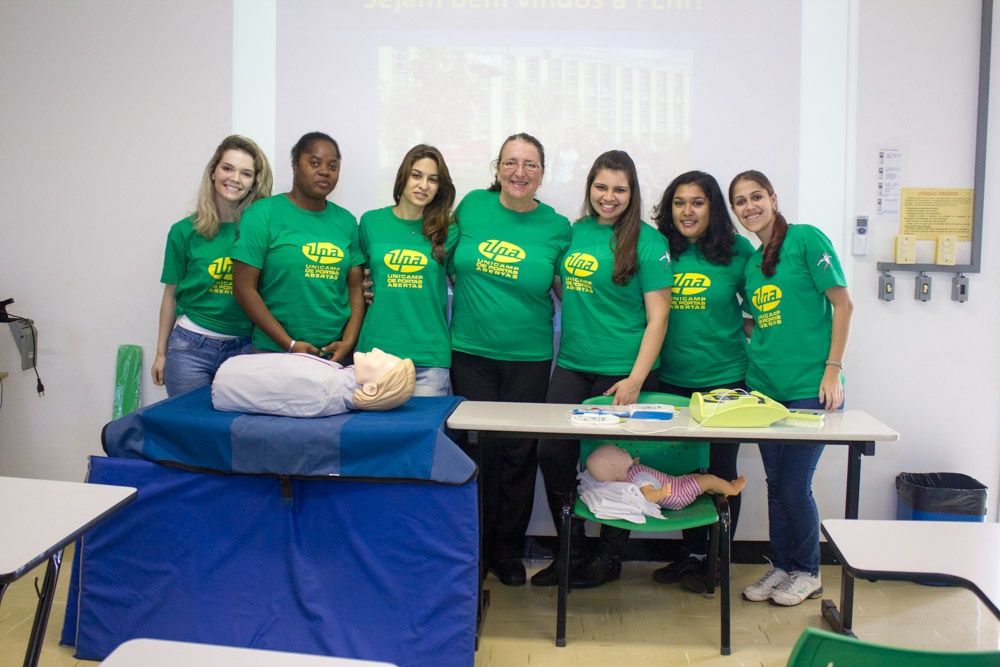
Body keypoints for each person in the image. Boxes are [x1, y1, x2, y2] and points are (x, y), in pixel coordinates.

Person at [532, 150, 673, 589]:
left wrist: (635, 379)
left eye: (619, 189)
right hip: (573, 363)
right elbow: (558, 284)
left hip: (624, 373)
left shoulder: (649, 243)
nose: (608, 197)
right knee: (552, 453)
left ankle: (610, 555)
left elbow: (659, 318)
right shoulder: (573, 233)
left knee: (618, 464)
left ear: (632, 193)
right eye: (601, 187)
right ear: (589, 187)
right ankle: (570, 549)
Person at [449, 132, 571, 587]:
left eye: (530, 164)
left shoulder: (558, 227)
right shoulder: (471, 207)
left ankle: (507, 551)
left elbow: (573, 290)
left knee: (520, 455)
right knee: (480, 452)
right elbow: (440, 261)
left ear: (542, 172)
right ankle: (473, 550)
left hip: (530, 357)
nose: (520, 172)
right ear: (497, 167)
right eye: (511, 162)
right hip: (470, 352)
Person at [728, 169, 853, 607]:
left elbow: (843, 303)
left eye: (756, 196)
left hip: (808, 388)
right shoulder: (750, 263)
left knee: (796, 484)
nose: (749, 207)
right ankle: (782, 566)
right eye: (740, 202)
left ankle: (809, 571)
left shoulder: (806, 239)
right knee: (776, 483)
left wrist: (832, 369)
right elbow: (756, 322)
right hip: (763, 389)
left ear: (774, 198)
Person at [648, 171, 755, 592]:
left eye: (697, 202)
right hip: (672, 381)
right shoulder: (659, 249)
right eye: (679, 203)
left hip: (726, 382)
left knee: (723, 473)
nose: (687, 211)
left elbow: (763, 304)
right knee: (683, 474)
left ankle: (718, 561)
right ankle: (691, 556)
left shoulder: (737, 251)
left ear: (713, 207)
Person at [152, 135, 274, 397]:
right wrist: (161, 353)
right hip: (189, 348)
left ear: (254, 183)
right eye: (227, 168)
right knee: (188, 430)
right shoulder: (183, 231)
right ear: (213, 172)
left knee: (234, 433)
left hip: (245, 349)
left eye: (246, 173)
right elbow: (170, 295)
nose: (235, 178)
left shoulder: (263, 233)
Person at [232, 132, 365, 361]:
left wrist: (349, 342)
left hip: (333, 355)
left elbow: (355, 288)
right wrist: (289, 344)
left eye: (332, 166)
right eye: (314, 163)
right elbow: (243, 289)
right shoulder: (262, 214)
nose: (324, 171)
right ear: (295, 165)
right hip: (274, 352)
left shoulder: (347, 221)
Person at [357, 145, 457, 396]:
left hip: (429, 359)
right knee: (372, 435)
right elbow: (359, 280)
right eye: (416, 175)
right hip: (376, 355)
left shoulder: (448, 230)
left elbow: (465, 281)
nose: (424, 185)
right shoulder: (370, 222)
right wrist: (362, 288)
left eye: (433, 180)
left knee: (424, 435)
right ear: (402, 176)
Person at [212, 347, 416, 417]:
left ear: (371, 389)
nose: (377, 351)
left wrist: (226, 381)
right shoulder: (335, 378)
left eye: (381, 359)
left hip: (229, 378)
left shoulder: (322, 388)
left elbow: (268, 381)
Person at [585, 444, 746, 510]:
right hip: (677, 494)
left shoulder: (631, 472)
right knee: (708, 479)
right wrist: (660, 494)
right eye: (619, 452)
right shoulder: (637, 479)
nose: (623, 450)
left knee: (699, 478)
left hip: (678, 483)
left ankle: (716, 490)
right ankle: (732, 489)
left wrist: (631, 462)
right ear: (614, 467)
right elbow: (648, 495)